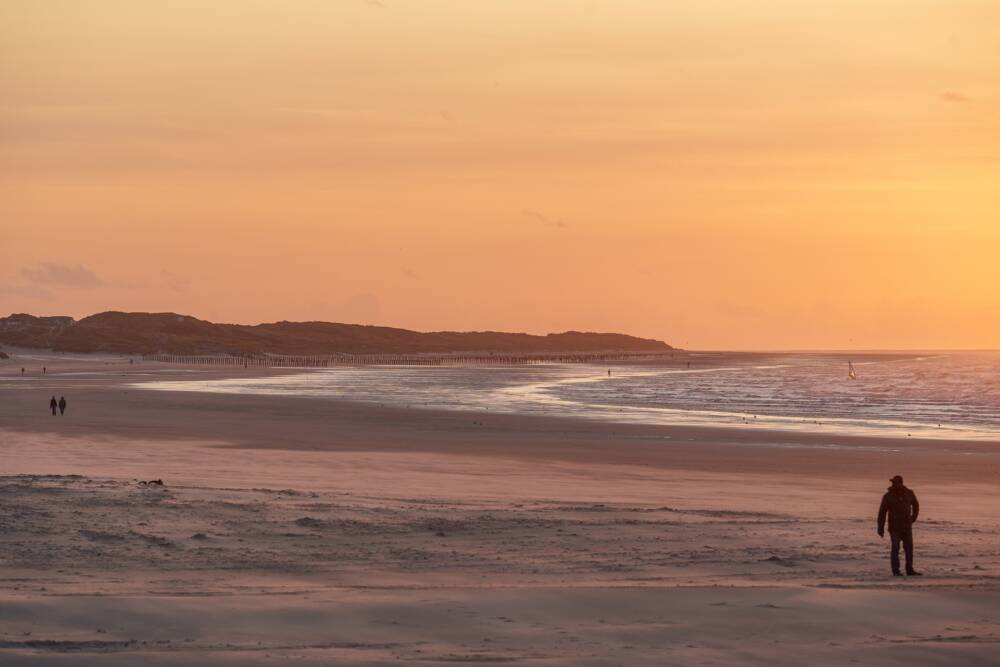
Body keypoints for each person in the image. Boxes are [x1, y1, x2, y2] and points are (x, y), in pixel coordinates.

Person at [877, 475, 922, 576]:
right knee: (895, 548)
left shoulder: (909, 493)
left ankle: (909, 570)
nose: (893, 484)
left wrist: (913, 518)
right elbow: (882, 513)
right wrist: (880, 528)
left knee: (909, 548)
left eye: (895, 482)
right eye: (892, 483)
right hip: (894, 528)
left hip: (907, 526)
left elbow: (916, 505)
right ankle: (896, 571)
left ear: (901, 483)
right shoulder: (888, 496)